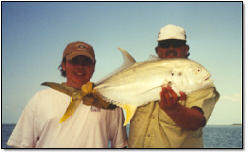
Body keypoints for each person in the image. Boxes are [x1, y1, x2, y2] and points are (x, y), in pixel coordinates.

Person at [7, 41, 128, 148]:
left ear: (93, 66)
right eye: (74, 61)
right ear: (64, 65)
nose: (80, 67)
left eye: (86, 62)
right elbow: (21, 146)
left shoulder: (109, 102)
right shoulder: (40, 99)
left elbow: (120, 145)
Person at [128, 24, 220, 148]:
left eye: (176, 44)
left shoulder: (199, 82)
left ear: (186, 49)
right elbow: (119, 99)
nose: (170, 48)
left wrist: (174, 109)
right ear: (157, 50)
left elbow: (197, 121)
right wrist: (101, 99)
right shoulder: (140, 75)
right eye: (165, 45)